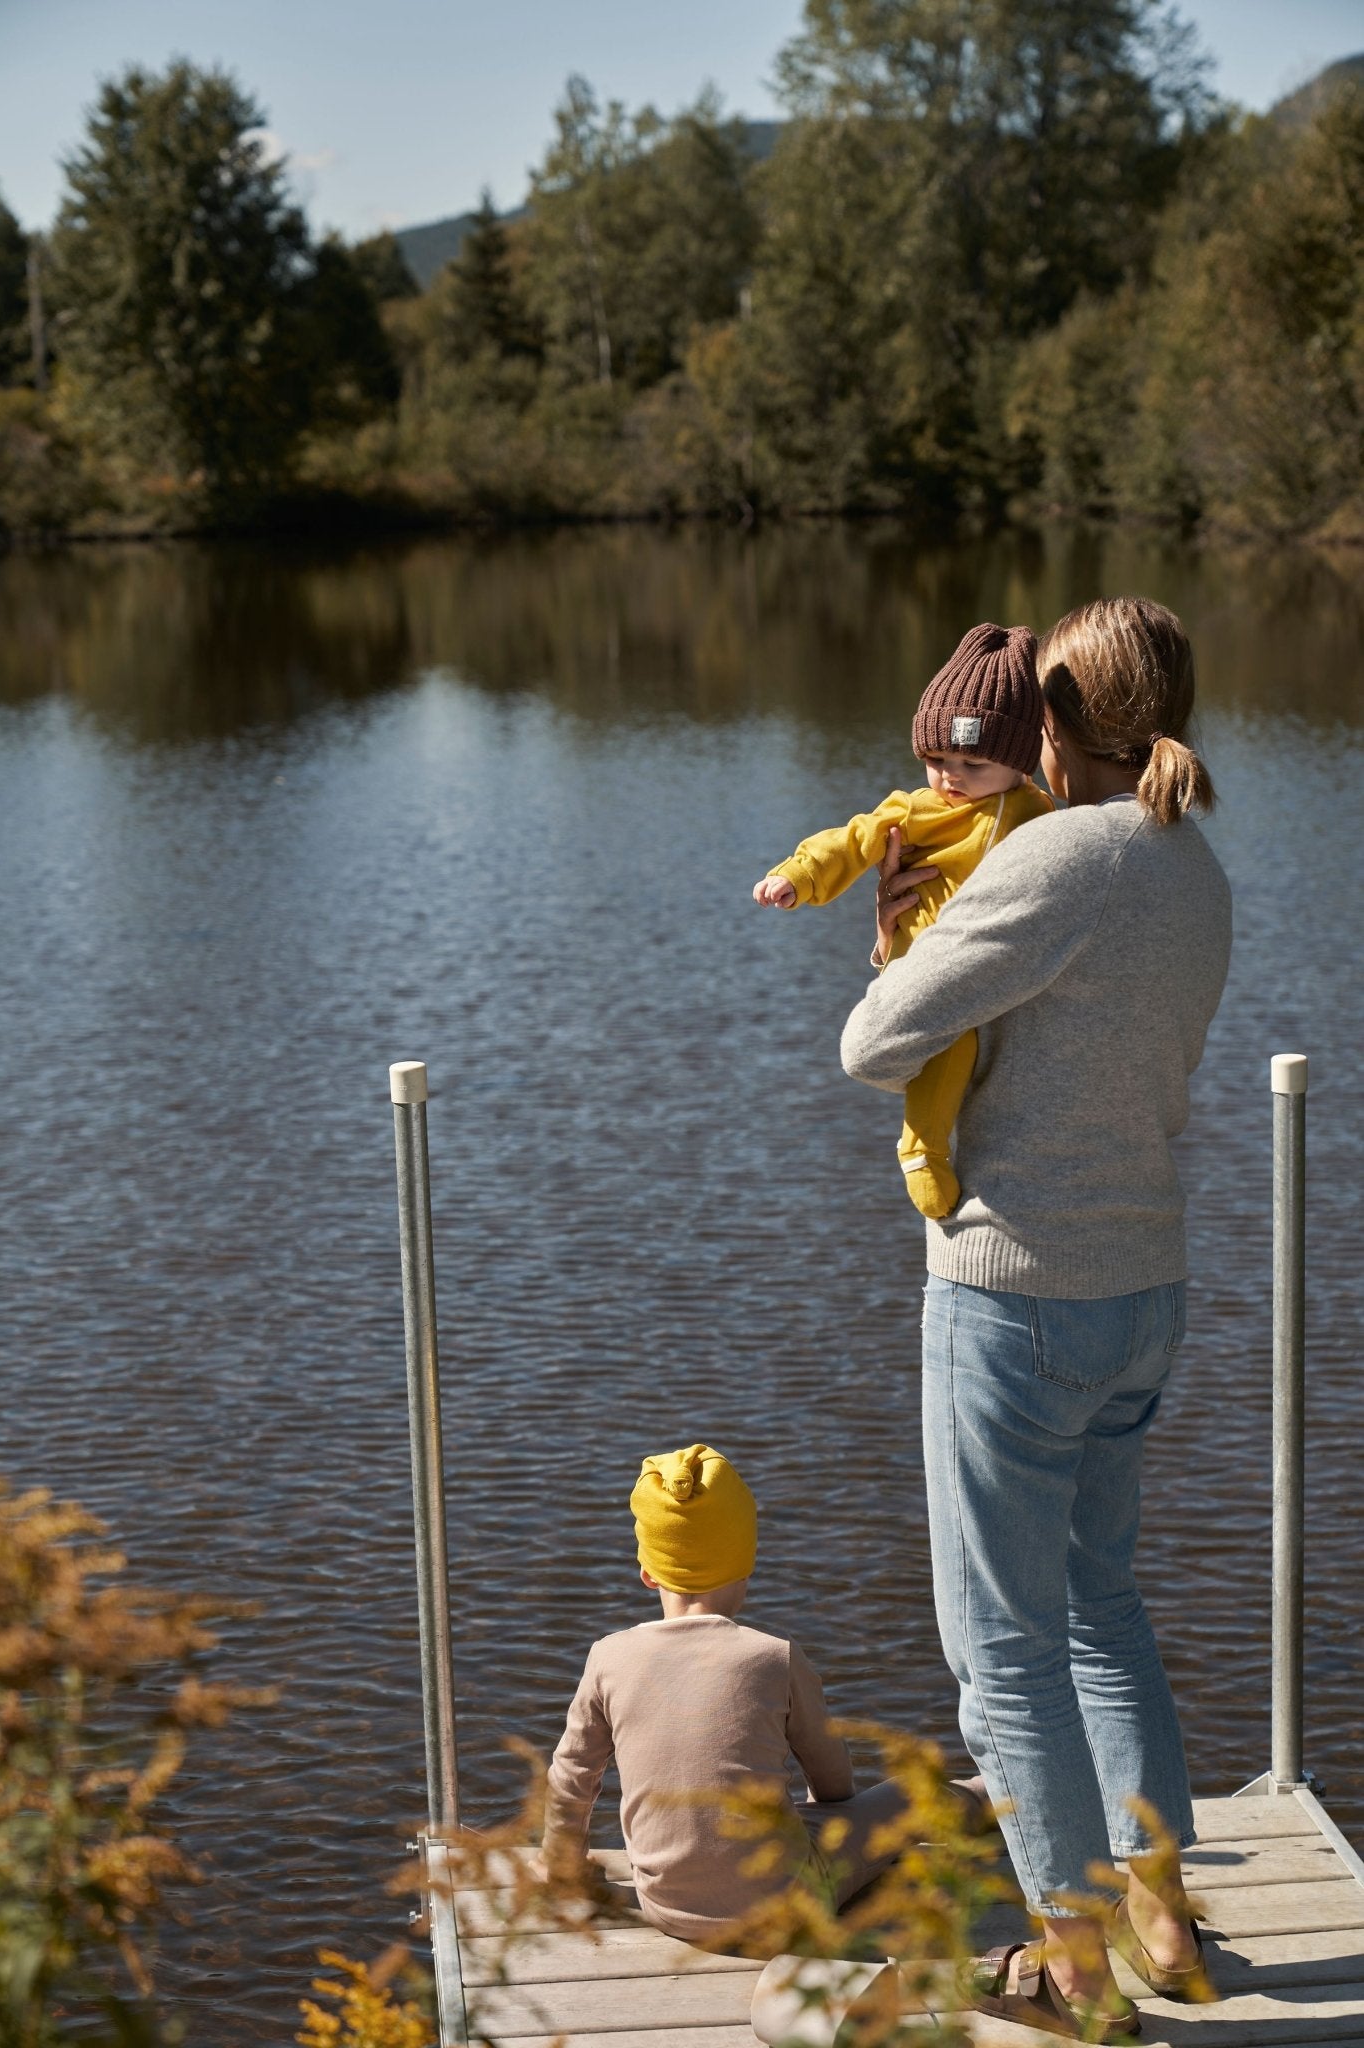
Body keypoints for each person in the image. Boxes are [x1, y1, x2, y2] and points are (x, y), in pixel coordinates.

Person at [840, 597, 1232, 2042]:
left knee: (997, 1644)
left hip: (1015, 1294)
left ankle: (1067, 1967)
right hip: (1145, 1289)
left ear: (1054, 724)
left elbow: (874, 1047)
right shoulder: (1195, 861)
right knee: (1103, 1609)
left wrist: (900, 942)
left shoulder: (1063, 858)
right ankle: (1163, 1919)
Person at [539, 1442, 922, 1946]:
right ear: (746, 1565)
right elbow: (832, 1784)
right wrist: (828, 1816)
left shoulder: (609, 1656)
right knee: (923, 1793)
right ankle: (1001, 1796)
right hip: (785, 1907)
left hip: (666, 1909)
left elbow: (571, 1777)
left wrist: (565, 1868)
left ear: (648, 1572)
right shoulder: (773, 1656)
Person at [753, 623, 1052, 1218]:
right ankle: (922, 1147)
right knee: (950, 1043)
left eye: (974, 762)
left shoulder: (1037, 812)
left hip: (989, 961)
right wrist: (799, 876)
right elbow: (852, 839)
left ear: (1020, 766)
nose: (951, 777)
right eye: (937, 759)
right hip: (928, 957)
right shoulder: (917, 811)